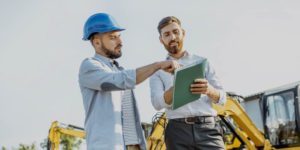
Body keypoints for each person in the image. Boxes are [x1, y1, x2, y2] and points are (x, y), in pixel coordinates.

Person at [79, 13, 180, 150]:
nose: (120, 42)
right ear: (97, 42)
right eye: (113, 37)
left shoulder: (119, 70)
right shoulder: (90, 66)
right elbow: (119, 81)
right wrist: (157, 66)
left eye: (119, 36)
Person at [150, 16, 227, 150]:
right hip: (177, 132)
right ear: (161, 40)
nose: (172, 37)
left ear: (183, 33)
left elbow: (223, 98)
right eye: (167, 34)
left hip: (208, 130)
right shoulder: (158, 70)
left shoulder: (203, 62)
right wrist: (176, 88)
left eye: (175, 32)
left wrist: (209, 90)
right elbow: (156, 103)